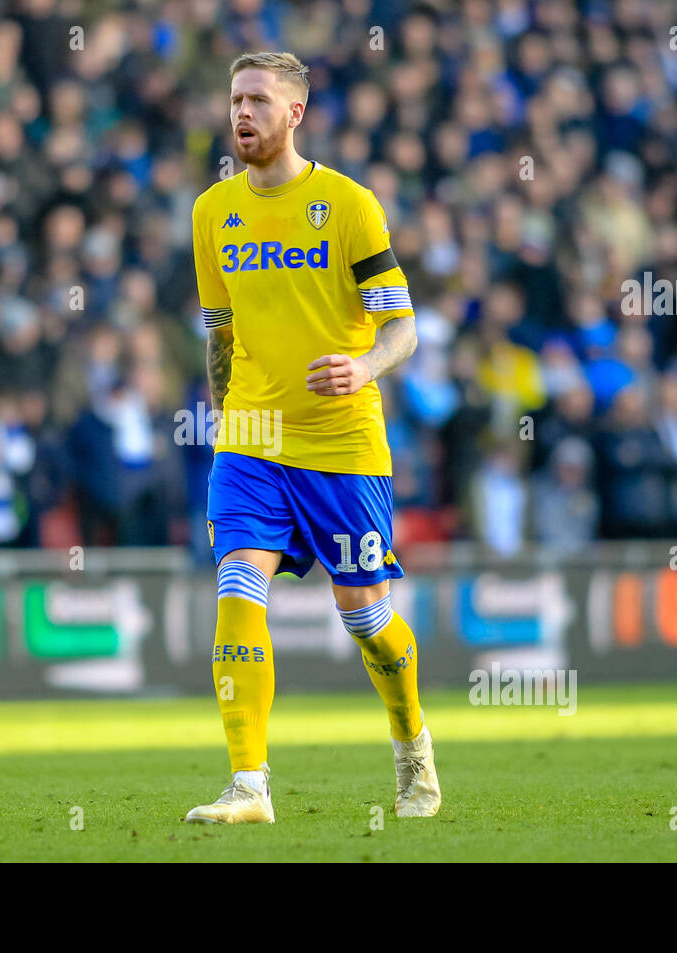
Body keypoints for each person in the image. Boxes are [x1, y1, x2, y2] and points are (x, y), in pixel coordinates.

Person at [184, 52, 438, 825]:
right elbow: (221, 334)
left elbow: (404, 328)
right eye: (235, 99)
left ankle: (412, 747)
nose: (243, 112)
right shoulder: (211, 212)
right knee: (236, 582)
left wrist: (363, 366)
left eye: (259, 99)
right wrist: (225, 416)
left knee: (364, 613)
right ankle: (248, 784)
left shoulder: (349, 204)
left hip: (341, 439)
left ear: (295, 112)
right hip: (252, 435)